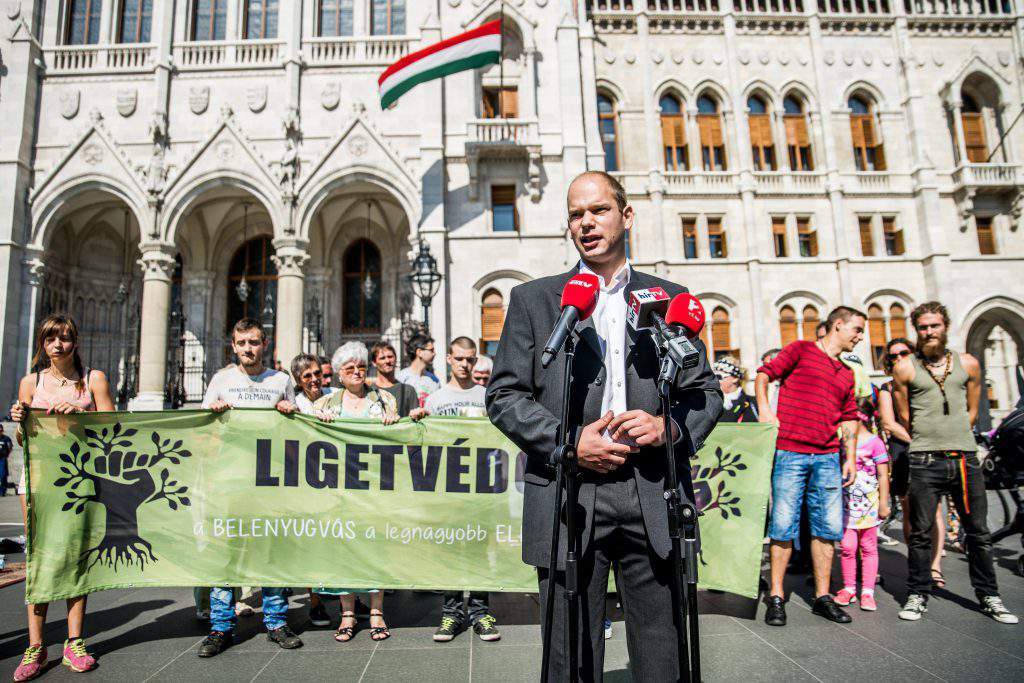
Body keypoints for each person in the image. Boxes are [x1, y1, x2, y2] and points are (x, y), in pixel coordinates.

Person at [486, 171, 723, 680]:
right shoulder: (535, 300)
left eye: (599, 210)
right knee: (569, 652)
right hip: (569, 493)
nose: (586, 223)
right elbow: (504, 396)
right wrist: (570, 444)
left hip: (651, 490)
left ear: (626, 215)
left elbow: (705, 393)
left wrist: (670, 429)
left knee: (662, 649)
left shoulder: (670, 297)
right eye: (576, 214)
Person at [893, 302, 1018, 624]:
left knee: (977, 533)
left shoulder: (969, 364)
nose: (929, 332)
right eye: (923, 327)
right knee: (920, 533)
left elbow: (973, 410)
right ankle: (918, 593)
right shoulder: (905, 368)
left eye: (934, 325)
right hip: (924, 460)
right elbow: (906, 415)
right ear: (916, 330)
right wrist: (928, 438)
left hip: (963, 459)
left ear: (945, 326)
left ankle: (989, 595)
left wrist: (955, 435)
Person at [9, 313, 115, 680]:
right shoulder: (30, 382)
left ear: (75, 341)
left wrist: (82, 412)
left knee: (76, 553)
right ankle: (35, 646)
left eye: (65, 338)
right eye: (51, 338)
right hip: (37, 479)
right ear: (43, 343)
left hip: (78, 479)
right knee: (38, 555)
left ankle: (74, 641)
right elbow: (24, 441)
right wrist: (19, 418)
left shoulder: (93, 380)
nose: (58, 344)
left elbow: (114, 429)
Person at [198, 318, 302, 658]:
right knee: (225, 553)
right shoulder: (220, 380)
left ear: (265, 344)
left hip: (269, 483)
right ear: (233, 345)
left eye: (254, 342)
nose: (248, 348)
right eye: (242, 342)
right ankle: (221, 626)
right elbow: (201, 433)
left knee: (271, 552)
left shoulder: (280, 380)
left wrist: (291, 411)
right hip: (229, 482)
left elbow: (297, 435)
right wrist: (213, 417)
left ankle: (276, 621)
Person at [756, 306, 863, 627]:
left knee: (827, 529)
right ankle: (776, 596)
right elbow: (764, 374)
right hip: (790, 453)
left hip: (829, 458)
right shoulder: (801, 350)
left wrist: (852, 457)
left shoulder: (846, 373)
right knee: (783, 525)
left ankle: (822, 596)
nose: (860, 337)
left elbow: (850, 417)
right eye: (857, 330)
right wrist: (764, 409)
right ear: (838, 325)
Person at [313, 341, 396, 642]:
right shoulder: (325, 404)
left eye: (361, 366)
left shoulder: (384, 399)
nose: (357, 372)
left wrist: (392, 423)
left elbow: (395, 437)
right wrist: (317, 424)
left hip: (375, 488)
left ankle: (376, 612)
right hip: (339, 490)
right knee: (342, 549)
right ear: (338, 374)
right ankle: (347, 613)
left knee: (375, 548)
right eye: (350, 369)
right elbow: (309, 436)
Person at [426, 337, 500, 643]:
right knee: (450, 550)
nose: (465, 365)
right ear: (448, 359)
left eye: (470, 359)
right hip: (448, 487)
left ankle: (481, 612)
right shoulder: (435, 399)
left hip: (481, 487)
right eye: (459, 359)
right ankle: (451, 613)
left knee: (480, 549)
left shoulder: (487, 396)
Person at [878, 338, 947, 571]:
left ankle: (935, 565)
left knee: (935, 508)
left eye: (903, 353)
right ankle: (918, 562)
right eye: (892, 356)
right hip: (904, 451)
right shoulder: (886, 388)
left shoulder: (927, 382)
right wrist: (916, 441)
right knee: (908, 508)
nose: (898, 359)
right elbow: (888, 423)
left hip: (932, 447)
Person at [289, 353, 337, 628]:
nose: (314, 379)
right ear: (298, 379)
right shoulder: (293, 403)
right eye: (307, 376)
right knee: (309, 544)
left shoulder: (334, 396)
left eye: (317, 373)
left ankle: (349, 597)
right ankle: (315, 602)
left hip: (333, 480)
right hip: (303, 481)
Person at [834, 397, 890, 611]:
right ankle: (849, 588)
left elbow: (884, 475)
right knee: (847, 547)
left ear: (860, 418)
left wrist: (884, 503)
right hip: (846, 508)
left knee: (868, 547)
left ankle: (867, 591)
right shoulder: (843, 443)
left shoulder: (875, 443)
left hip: (869, 508)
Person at [370, 341, 425, 419]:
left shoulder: (408, 391)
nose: (387, 361)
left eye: (390, 357)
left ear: (395, 358)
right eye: (382, 358)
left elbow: (417, 422)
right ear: (374, 363)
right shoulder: (368, 391)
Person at [396, 334, 441, 406]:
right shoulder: (401, 377)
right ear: (419, 352)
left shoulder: (434, 380)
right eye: (431, 350)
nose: (434, 353)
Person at [713, 356, 758, 423]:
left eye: (719, 377)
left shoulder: (752, 402)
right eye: (713, 377)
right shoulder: (709, 401)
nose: (714, 381)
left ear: (735, 379)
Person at [0, 425, 12, 496]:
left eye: (1, 431)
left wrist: (7, 455)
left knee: (3, 475)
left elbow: (10, 447)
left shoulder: (6, 438)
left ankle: (2, 491)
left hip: (2, 459)